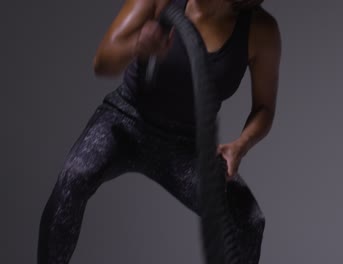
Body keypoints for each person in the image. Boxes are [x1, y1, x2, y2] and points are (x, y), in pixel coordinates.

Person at [37, 0, 281, 263]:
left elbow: (264, 108)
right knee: (75, 176)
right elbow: (102, 62)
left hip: (186, 144)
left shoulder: (261, 31)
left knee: (248, 221)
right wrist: (137, 45)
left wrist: (240, 145)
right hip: (127, 120)